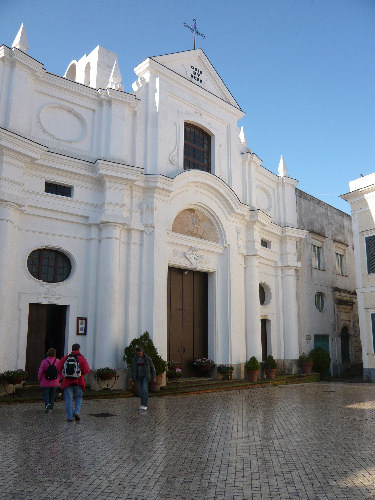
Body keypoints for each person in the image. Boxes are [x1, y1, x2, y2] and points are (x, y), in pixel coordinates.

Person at [58, 343, 90, 423]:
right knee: (78, 397)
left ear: (72, 349)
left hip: (67, 382)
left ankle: (69, 417)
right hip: (78, 382)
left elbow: (58, 368)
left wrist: (65, 373)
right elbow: (87, 370)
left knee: (68, 399)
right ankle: (76, 412)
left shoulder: (65, 358)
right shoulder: (82, 359)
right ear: (79, 349)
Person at [129, 346, 156, 411]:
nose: (138, 354)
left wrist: (154, 377)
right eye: (137, 353)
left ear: (142, 352)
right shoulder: (134, 359)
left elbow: (152, 368)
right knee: (141, 391)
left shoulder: (147, 359)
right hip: (138, 377)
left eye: (139, 353)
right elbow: (132, 369)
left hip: (145, 377)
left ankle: (145, 405)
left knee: (144, 389)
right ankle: (142, 404)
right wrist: (131, 377)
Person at [38, 347, 62, 414]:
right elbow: (61, 371)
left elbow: (40, 372)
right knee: (52, 395)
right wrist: (59, 379)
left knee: (45, 395)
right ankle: (51, 408)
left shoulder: (44, 361)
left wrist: (39, 378)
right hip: (55, 382)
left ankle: (47, 404)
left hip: (45, 381)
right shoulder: (58, 361)